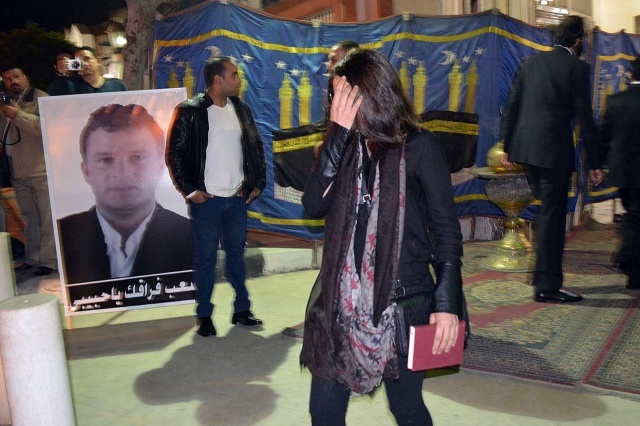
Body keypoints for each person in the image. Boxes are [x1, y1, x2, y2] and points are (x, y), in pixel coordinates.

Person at [300, 49, 465, 425]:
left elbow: (446, 231)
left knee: (406, 408)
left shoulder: (420, 147)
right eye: (334, 98)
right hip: (341, 305)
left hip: (402, 303)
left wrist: (446, 304)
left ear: (369, 96)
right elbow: (313, 205)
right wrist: (337, 134)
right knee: (323, 411)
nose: (334, 105)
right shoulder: (341, 146)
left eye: (342, 97)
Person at [499, 15, 603, 303]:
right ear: (578, 40)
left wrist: (506, 146)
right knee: (553, 219)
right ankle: (547, 286)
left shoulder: (530, 63)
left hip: (526, 151)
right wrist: (595, 162)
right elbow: (585, 118)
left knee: (547, 213)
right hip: (553, 153)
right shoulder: (577, 68)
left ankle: (542, 277)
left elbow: (512, 105)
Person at [167, 56, 267, 337]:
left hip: (236, 200)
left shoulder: (241, 109)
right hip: (207, 202)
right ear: (218, 80)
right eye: (234, 75)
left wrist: (257, 182)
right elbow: (175, 154)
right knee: (205, 259)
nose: (239, 80)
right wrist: (189, 191)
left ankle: (242, 310)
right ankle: (204, 315)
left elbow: (256, 147)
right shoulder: (190, 111)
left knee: (236, 256)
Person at [58, 104, 192, 284]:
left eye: (137, 157)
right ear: (86, 171)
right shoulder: (64, 236)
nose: (123, 173)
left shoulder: (190, 235)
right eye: (106, 160)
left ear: (160, 167)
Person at [0, 66, 57, 276]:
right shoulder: (6, 102)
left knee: (46, 218)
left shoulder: (41, 98)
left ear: (26, 77)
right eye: (7, 79)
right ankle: (33, 258)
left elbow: (48, 128)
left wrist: (18, 115)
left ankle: (49, 261)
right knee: (29, 217)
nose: (12, 82)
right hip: (17, 170)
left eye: (16, 77)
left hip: (40, 169)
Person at [598, 56, 640, 290]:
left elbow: (603, 136)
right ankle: (630, 264)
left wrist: (598, 165)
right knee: (635, 216)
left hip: (623, 172)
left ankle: (629, 262)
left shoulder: (615, 101)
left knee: (632, 214)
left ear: (631, 74)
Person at [53, 47, 126, 95]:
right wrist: (62, 74)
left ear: (98, 62)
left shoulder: (116, 85)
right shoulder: (71, 85)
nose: (83, 64)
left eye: (87, 59)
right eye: (78, 62)